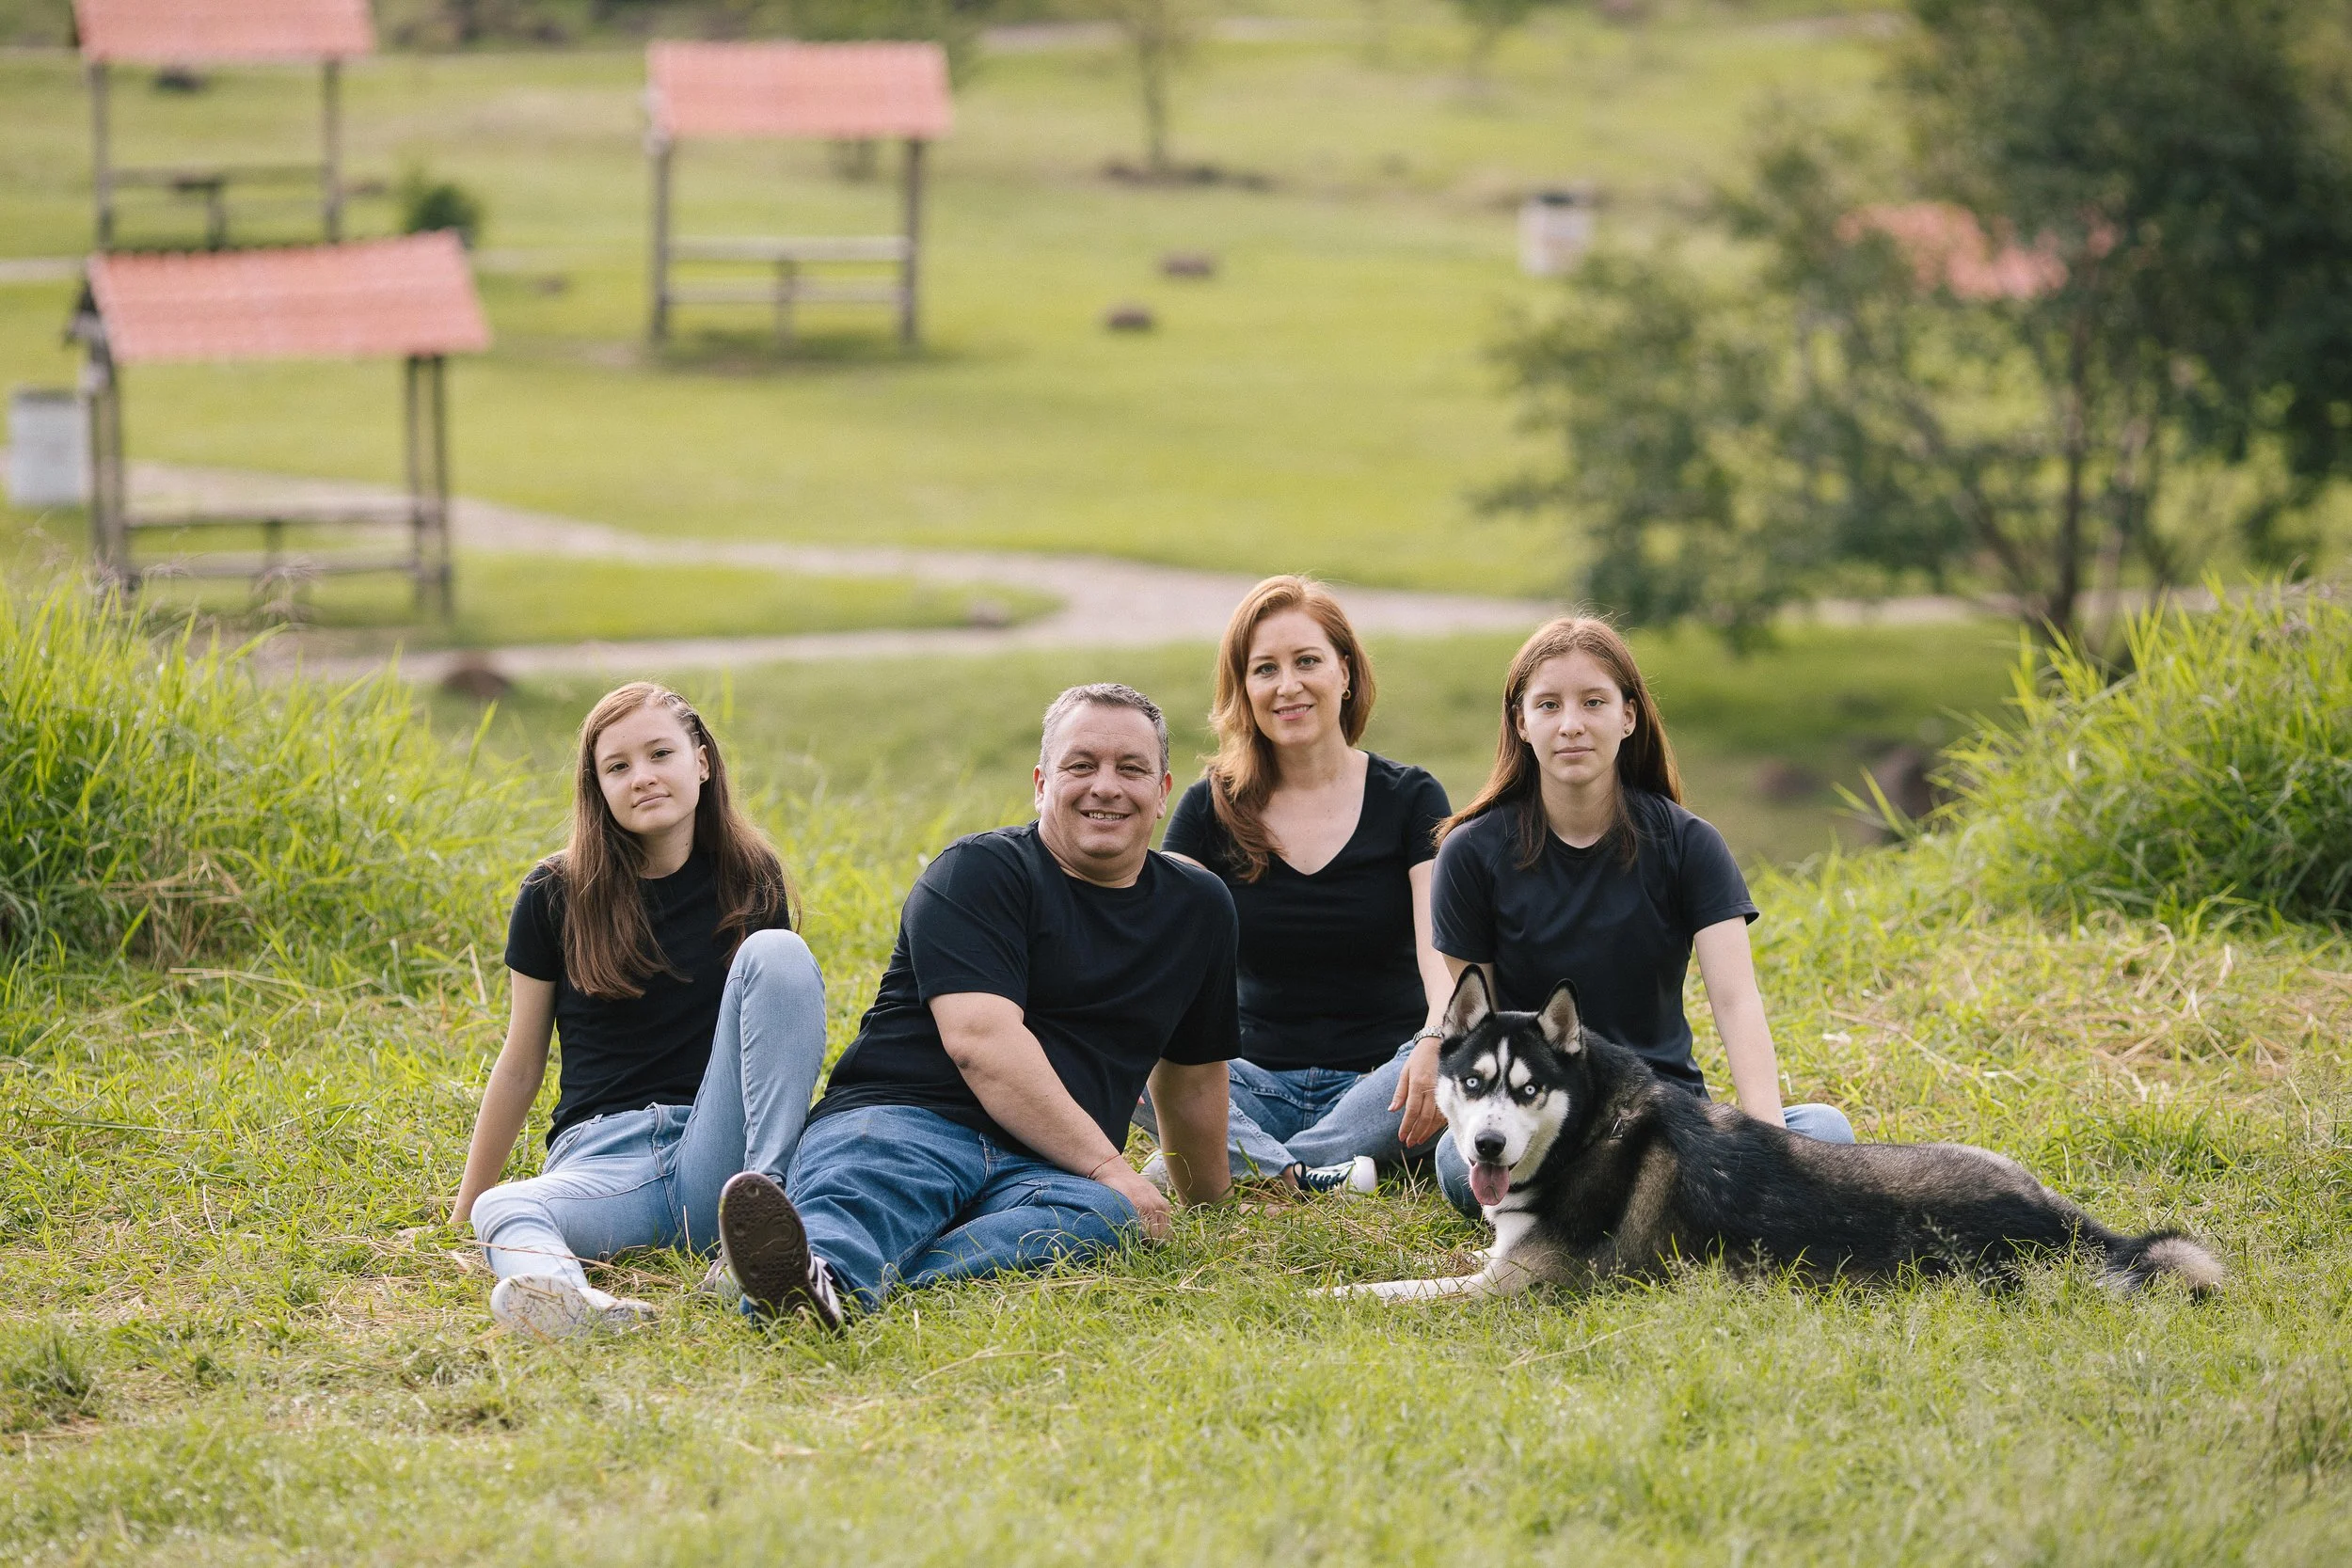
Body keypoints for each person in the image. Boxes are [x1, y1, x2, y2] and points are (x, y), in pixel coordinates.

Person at [710, 683, 1239, 1328]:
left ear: (1161, 792)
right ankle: (812, 1287)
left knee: (1106, 1217)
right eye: (1081, 765)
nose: (1106, 786)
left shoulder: (1198, 908)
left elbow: (1190, 1080)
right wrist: (1110, 1165)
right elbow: (981, 1043)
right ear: (1042, 783)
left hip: (1046, 1165)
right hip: (909, 1120)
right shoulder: (979, 872)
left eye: (1131, 768)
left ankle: (846, 1280)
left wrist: (1213, 1214)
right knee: (862, 1194)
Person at [1422, 617, 1854, 1219]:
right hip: (1538, 1122)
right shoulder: (1469, 854)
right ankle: (1639, 1208)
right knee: (1454, 1163)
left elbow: (1736, 1001)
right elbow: (1478, 1032)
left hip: (1669, 1119)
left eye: (1593, 702)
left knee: (1826, 1131)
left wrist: (1770, 1145)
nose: (1571, 723)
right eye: (1548, 705)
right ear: (1521, 723)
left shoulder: (1689, 844)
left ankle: (1632, 1203)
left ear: (1628, 716)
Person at [453, 682, 829, 1338]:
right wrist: (462, 1214)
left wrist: (754, 1178)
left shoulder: (750, 875)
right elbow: (520, 1064)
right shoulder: (554, 892)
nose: (643, 777)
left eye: (661, 753)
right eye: (618, 766)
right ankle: (576, 1305)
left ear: (702, 761)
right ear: (596, 786)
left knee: (781, 953)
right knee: (504, 1203)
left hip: (718, 1157)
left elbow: (774, 1039)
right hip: (604, 1163)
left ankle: (765, 1227)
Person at [1133, 575, 1456, 1194]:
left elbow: (1440, 956)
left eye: (1307, 661)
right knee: (1122, 1036)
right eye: (1264, 669)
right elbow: (1164, 954)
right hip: (1247, 1082)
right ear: (1243, 689)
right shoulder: (1210, 807)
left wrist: (1438, 1036)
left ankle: (1234, 1158)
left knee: (1459, 1054)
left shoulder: (1411, 797)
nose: (1288, 685)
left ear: (1346, 673)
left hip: (1385, 1084)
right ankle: (1305, 1173)